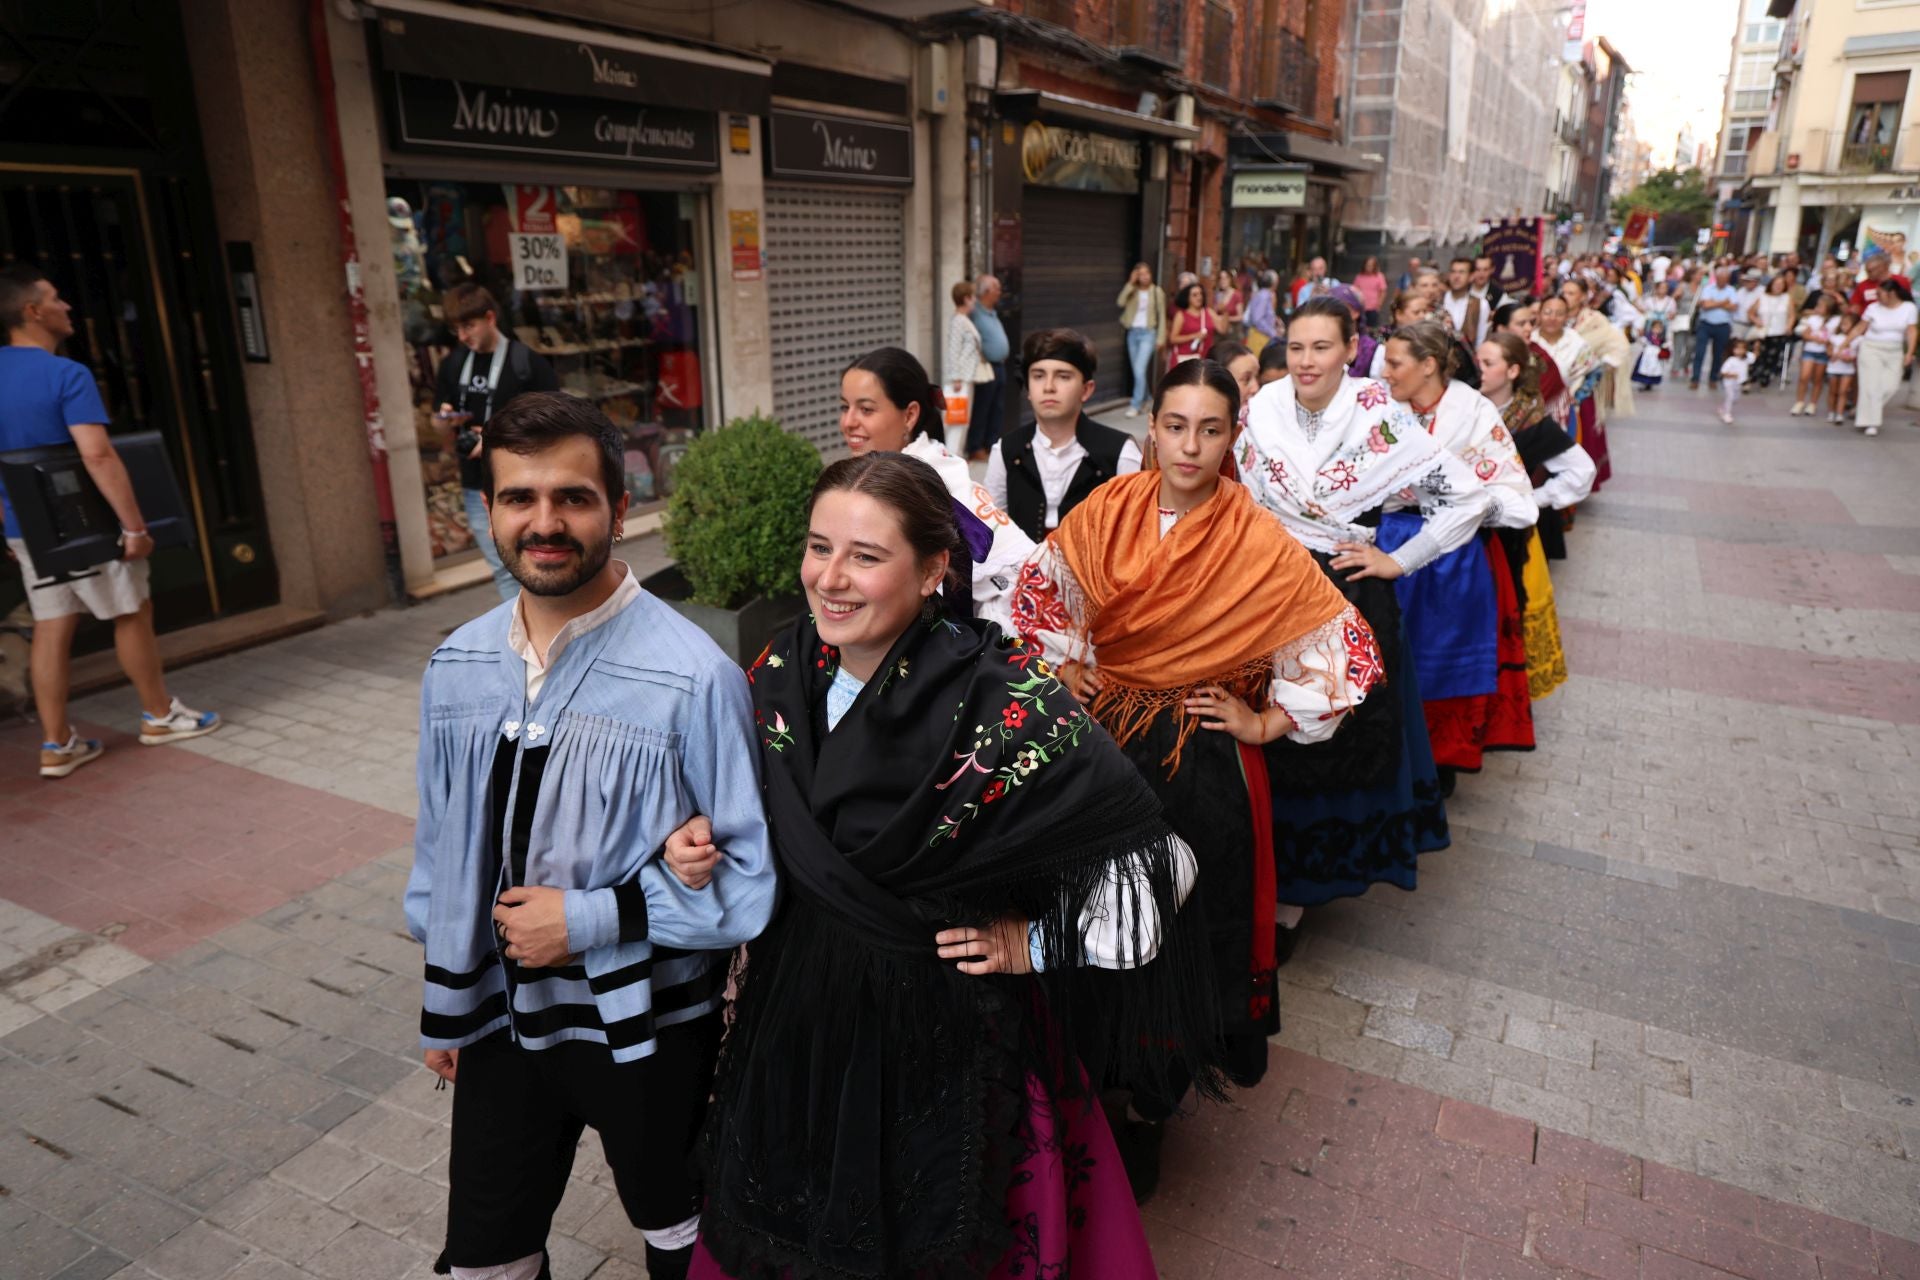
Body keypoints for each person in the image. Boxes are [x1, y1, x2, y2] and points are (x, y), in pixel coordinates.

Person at [692, 453, 1220, 1280]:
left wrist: (1034, 945)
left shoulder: (1006, 700)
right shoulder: (779, 670)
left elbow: (1162, 865)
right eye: (817, 546)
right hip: (798, 1007)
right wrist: (701, 839)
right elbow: (756, 814)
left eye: (865, 557)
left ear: (935, 568)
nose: (830, 578)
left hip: (942, 1021)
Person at [407, 392, 778, 1280]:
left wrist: (593, 918)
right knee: (488, 1253)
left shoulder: (695, 680)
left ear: (619, 507)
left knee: (680, 1234)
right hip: (501, 1019)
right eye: (517, 498)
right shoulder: (455, 666)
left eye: (572, 497)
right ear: (487, 511)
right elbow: (439, 853)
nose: (544, 522)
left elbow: (749, 885)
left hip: (648, 1031)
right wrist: (447, 1003)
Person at [1007, 358, 1382, 1183]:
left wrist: (1264, 720)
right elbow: (1037, 595)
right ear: (1153, 426)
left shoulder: (1258, 539)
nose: (1190, 445)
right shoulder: (1107, 508)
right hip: (1100, 751)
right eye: (1176, 425)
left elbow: (1345, 652)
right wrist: (1068, 669)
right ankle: (1089, 1091)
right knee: (1085, 913)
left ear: (1232, 435)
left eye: (1211, 428)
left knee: (1174, 933)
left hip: (1202, 765)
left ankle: (1150, 1109)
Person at [1236, 299, 1496, 907]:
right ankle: (1268, 878)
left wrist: (1398, 560)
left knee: (1337, 735)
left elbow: (1469, 499)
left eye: (1322, 347)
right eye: (1296, 347)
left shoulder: (1381, 416)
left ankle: (1308, 894)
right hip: (1268, 584)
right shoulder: (1264, 408)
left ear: (1352, 349)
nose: (1306, 361)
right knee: (1270, 726)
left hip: (1346, 589)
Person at [0, 264, 221, 779]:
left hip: (25, 525)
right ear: (32, 311)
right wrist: (135, 529)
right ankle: (159, 715)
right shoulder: (66, 375)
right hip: (86, 522)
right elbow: (97, 456)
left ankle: (57, 744)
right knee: (132, 612)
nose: (68, 307)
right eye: (56, 298)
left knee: (52, 625)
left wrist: (7, 526)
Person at [1379, 320, 1539, 788]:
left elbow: (1515, 497)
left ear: (1428, 365)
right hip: (1386, 546)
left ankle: (1440, 763)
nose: (1384, 372)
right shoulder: (1378, 406)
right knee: (1388, 657)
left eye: (1394, 363)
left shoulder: (1474, 412)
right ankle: (1391, 753)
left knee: (1441, 660)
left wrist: (1461, 505)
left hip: (1452, 558)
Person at [839, 347, 1033, 624]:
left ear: (909, 415)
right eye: (845, 407)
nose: (848, 422)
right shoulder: (923, 460)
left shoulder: (913, 482)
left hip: (1018, 622)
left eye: (866, 409)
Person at [1478, 334, 1594, 699]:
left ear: (1512, 371)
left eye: (1487, 364)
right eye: (1477, 361)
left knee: (1503, 617)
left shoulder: (1531, 421)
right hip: (1462, 537)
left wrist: (1533, 499)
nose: (1477, 371)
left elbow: (1581, 472)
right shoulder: (1464, 409)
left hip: (1507, 540)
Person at [435, 283, 562, 603]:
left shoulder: (526, 363)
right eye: (456, 329)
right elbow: (437, 427)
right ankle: (524, 638)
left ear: (489, 317)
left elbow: (556, 425)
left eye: (468, 326)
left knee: (536, 564)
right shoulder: (453, 364)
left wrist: (493, 441)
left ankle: (544, 629)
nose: (462, 336)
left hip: (525, 485)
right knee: (502, 567)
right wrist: (445, 421)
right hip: (477, 485)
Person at [986, 328, 1142, 541]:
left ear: (1086, 389)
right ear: (1029, 389)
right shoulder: (1006, 450)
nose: (1049, 387)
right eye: (1038, 376)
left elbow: (1135, 534)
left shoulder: (1120, 452)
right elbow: (993, 527)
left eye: (1063, 376)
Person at [1563, 278, 1622, 488]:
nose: (1566, 296)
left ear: (1582, 296)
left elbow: (1613, 349)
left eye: (1571, 293)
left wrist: (1594, 370)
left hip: (1583, 387)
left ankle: (1582, 482)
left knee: (1584, 433)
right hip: (1557, 385)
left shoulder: (1595, 320)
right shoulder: (1555, 316)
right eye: (1564, 292)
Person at [1847, 278, 1917, 438]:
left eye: (1879, 294)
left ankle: (1865, 409)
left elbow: (1911, 331)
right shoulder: (1873, 308)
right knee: (1870, 386)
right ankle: (1871, 423)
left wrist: (1909, 353)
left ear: (1892, 294)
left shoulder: (1908, 308)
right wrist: (1844, 344)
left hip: (1894, 350)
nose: (1876, 297)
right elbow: (1860, 327)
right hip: (1871, 348)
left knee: (1890, 385)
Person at [1533, 296, 1599, 443]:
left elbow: (1593, 372)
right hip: (1530, 413)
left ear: (1567, 316)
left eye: (1559, 313)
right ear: (1539, 314)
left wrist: (1578, 397)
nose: (1553, 318)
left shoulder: (1577, 344)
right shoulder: (1529, 341)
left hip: (1567, 412)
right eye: (1548, 312)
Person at [967, 274, 1011, 461]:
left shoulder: (991, 312)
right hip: (986, 368)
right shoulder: (975, 313)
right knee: (982, 408)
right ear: (985, 292)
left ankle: (991, 444)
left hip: (999, 367)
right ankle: (976, 447)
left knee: (997, 408)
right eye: (996, 289)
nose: (1000, 293)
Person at [1116, 263, 1168, 418]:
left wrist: (1161, 338)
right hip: (1132, 333)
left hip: (1148, 334)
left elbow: (1162, 315)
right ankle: (1147, 398)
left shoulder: (1156, 291)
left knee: (1139, 369)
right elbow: (1120, 302)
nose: (1144, 276)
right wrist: (1130, 283)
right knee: (1138, 371)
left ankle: (1135, 404)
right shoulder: (1132, 290)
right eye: (1141, 273)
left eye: (1147, 273)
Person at [944, 280, 986, 450]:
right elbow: (953, 350)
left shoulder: (962, 320)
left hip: (965, 377)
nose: (975, 301)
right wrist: (957, 378)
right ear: (966, 298)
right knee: (957, 420)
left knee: (961, 420)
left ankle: (956, 454)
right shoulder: (958, 321)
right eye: (973, 297)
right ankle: (952, 455)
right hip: (959, 380)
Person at [1689, 263, 1740, 389]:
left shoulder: (1732, 290)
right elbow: (1705, 305)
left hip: (1723, 326)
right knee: (1699, 352)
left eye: (1724, 279)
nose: (1722, 282)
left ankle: (1713, 378)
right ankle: (1695, 378)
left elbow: (1733, 307)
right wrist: (1723, 303)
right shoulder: (1708, 288)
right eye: (1720, 279)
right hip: (1706, 324)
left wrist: (1714, 303)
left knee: (1718, 354)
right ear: (1716, 278)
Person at [1791, 293, 1842, 417]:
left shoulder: (1836, 321)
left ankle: (1813, 403)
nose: (1817, 308)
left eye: (1820, 306)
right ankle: (1799, 401)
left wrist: (1828, 342)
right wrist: (1814, 338)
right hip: (1810, 350)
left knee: (1817, 379)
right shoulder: (1813, 319)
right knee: (1804, 376)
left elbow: (1836, 335)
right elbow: (1805, 334)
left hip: (1823, 352)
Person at [1369, 290, 1432, 377]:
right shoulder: (1383, 333)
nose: (1422, 316)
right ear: (1399, 314)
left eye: (1424, 312)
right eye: (1416, 312)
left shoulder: (1428, 335)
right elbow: (1378, 343)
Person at [1750, 275, 1794, 390]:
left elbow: (1791, 315)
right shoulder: (1762, 297)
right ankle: (1753, 375)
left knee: (1772, 357)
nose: (1778, 287)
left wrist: (1789, 326)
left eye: (1781, 285)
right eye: (1776, 284)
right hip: (1762, 332)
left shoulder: (1787, 298)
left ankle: (1766, 376)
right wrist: (1756, 320)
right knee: (1758, 355)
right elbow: (1750, 312)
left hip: (1778, 332)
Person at [1167, 281, 1219, 369]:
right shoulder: (1181, 315)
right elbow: (1173, 338)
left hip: (1203, 359)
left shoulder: (1208, 312)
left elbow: (1222, 329)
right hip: (1183, 358)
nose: (1199, 297)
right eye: (1195, 295)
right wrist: (1195, 336)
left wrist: (1226, 312)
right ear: (1188, 298)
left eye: (1200, 294)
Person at [1847, 248, 1912, 314]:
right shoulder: (1862, 285)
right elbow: (1854, 306)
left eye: (1870, 271)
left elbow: (1907, 303)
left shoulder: (1901, 281)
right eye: (1866, 271)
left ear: (1883, 267)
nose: (1867, 274)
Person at [1826, 312, 1861, 425]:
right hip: (1833, 368)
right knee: (1833, 391)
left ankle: (1839, 414)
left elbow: (1854, 356)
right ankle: (1831, 411)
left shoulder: (1858, 339)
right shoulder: (1835, 337)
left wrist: (1845, 357)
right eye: (1842, 324)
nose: (1843, 326)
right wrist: (1832, 354)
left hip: (1847, 370)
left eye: (1846, 324)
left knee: (1843, 391)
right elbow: (1829, 351)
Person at [1244, 269, 1281, 357]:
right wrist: (1273, 333)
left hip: (1263, 336)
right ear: (1274, 282)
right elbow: (1257, 319)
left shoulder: (1265, 294)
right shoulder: (1264, 296)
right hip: (1259, 336)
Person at [1718, 338, 1751, 425]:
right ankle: (1726, 414)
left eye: (1742, 348)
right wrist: (1732, 375)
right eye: (1737, 348)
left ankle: (1723, 408)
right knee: (1730, 397)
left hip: (1738, 383)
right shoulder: (1731, 360)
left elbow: (1754, 357)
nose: (1740, 351)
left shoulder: (1745, 359)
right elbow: (1723, 372)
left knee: (1735, 398)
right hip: (1729, 383)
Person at [1631, 320, 1670, 391]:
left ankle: (1650, 383)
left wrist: (1665, 346)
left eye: (1659, 328)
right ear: (1652, 328)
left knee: (1653, 369)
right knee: (1645, 368)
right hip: (1647, 355)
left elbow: (1665, 345)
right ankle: (1644, 383)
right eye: (1655, 328)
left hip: (1655, 356)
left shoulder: (1661, 338)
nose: (1657, 330)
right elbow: (1642, 341)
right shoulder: (1648, 336)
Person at [1353, 256, 1389, 328]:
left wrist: (1379, 305)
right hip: (1360, 308)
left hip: (1373, 308)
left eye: (1371, 265)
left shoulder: (1379, 276)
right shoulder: (1359, 276)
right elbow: (1354, 291)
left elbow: (1383, 291)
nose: (1369, 267)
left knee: (1372, 329)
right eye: (1367, 265)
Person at [1213, 268, 1246, 340]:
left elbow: (1240, 317)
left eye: (1225, 278)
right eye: (1220, 278)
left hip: (1232, 332)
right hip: (1219, 331)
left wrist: (1226, 319)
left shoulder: (1237, 295)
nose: (1223, 281)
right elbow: (1215, 313)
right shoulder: (1218, 295)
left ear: (1230, 279)